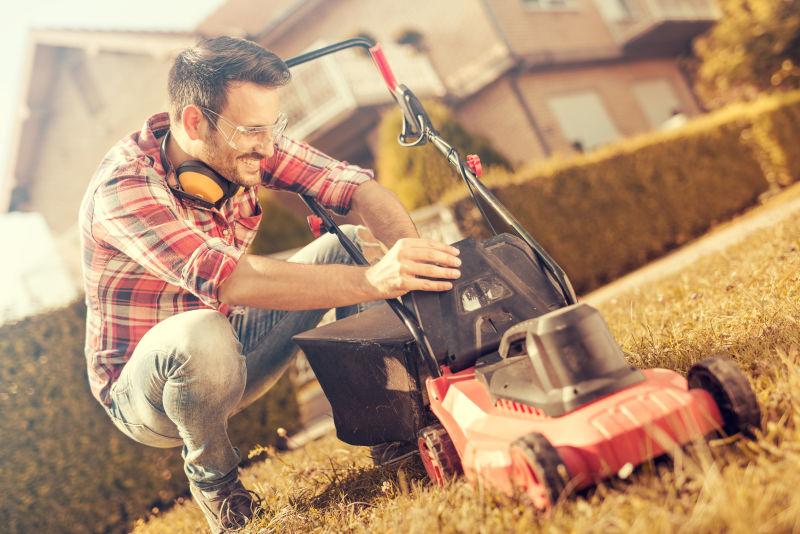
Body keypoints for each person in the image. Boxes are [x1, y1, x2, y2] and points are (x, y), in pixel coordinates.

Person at [78, 36, 461, 533]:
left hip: (233, 346)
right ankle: (219, 488)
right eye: (253, 129)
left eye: (272, 126)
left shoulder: (243, 145)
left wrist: (412, 261)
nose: (267, 142)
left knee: (356, 244)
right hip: (144, 395)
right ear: (195, 122)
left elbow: (356, 187)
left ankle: (388, 430)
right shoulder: (123, 187)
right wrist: (373, 281)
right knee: (200, 333)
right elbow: (228, 279)